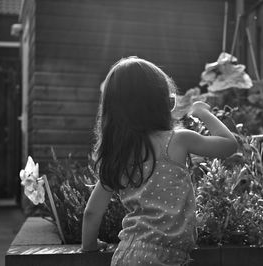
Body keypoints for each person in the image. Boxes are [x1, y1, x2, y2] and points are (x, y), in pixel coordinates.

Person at [81, 56, 238, 265]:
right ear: (160, 104)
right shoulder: (178, 140)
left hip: (129, 255)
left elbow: (92, 212)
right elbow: (229, 145)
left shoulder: (119, 156)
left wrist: (89, 246)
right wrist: (203, 113)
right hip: (165, 258)